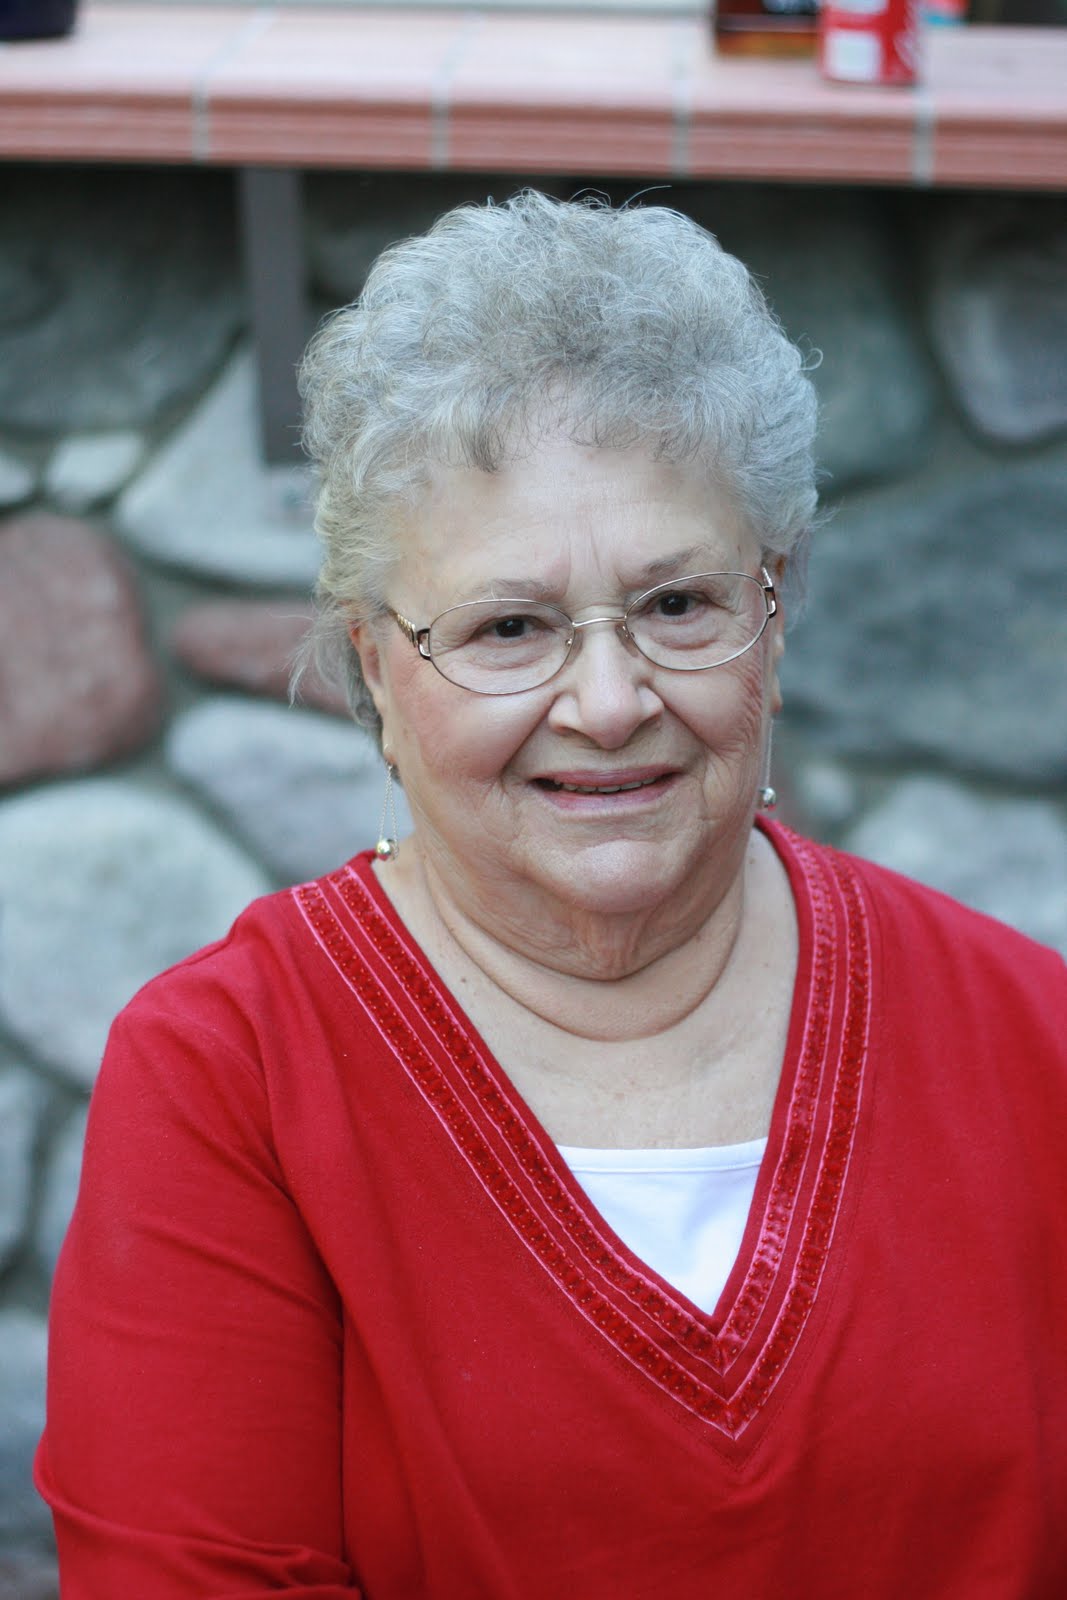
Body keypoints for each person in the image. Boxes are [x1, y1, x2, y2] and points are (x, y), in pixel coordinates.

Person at [37, 191, 1067, 1598]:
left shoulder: (1028, 1039)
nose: (609, 700)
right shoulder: (236, 1082)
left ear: (774, 613)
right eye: (510, 627)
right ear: (375, 669)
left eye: (679, 605)